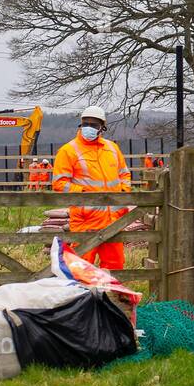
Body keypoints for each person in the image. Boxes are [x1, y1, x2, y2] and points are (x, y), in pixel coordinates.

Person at [51, 105, 132, 271]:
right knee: (81, 269)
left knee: (115, 268)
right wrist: (84, 195)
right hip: (85, 220)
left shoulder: (112, 148)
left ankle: (110, 297)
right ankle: (81, 298)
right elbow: (59, 183)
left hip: (113, 220)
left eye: (94, 125)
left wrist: (124, 192)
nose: (89, 127)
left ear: (102, 127)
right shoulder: (68, 151)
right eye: (85, 123)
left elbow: (124, 174)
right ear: (80, 124)